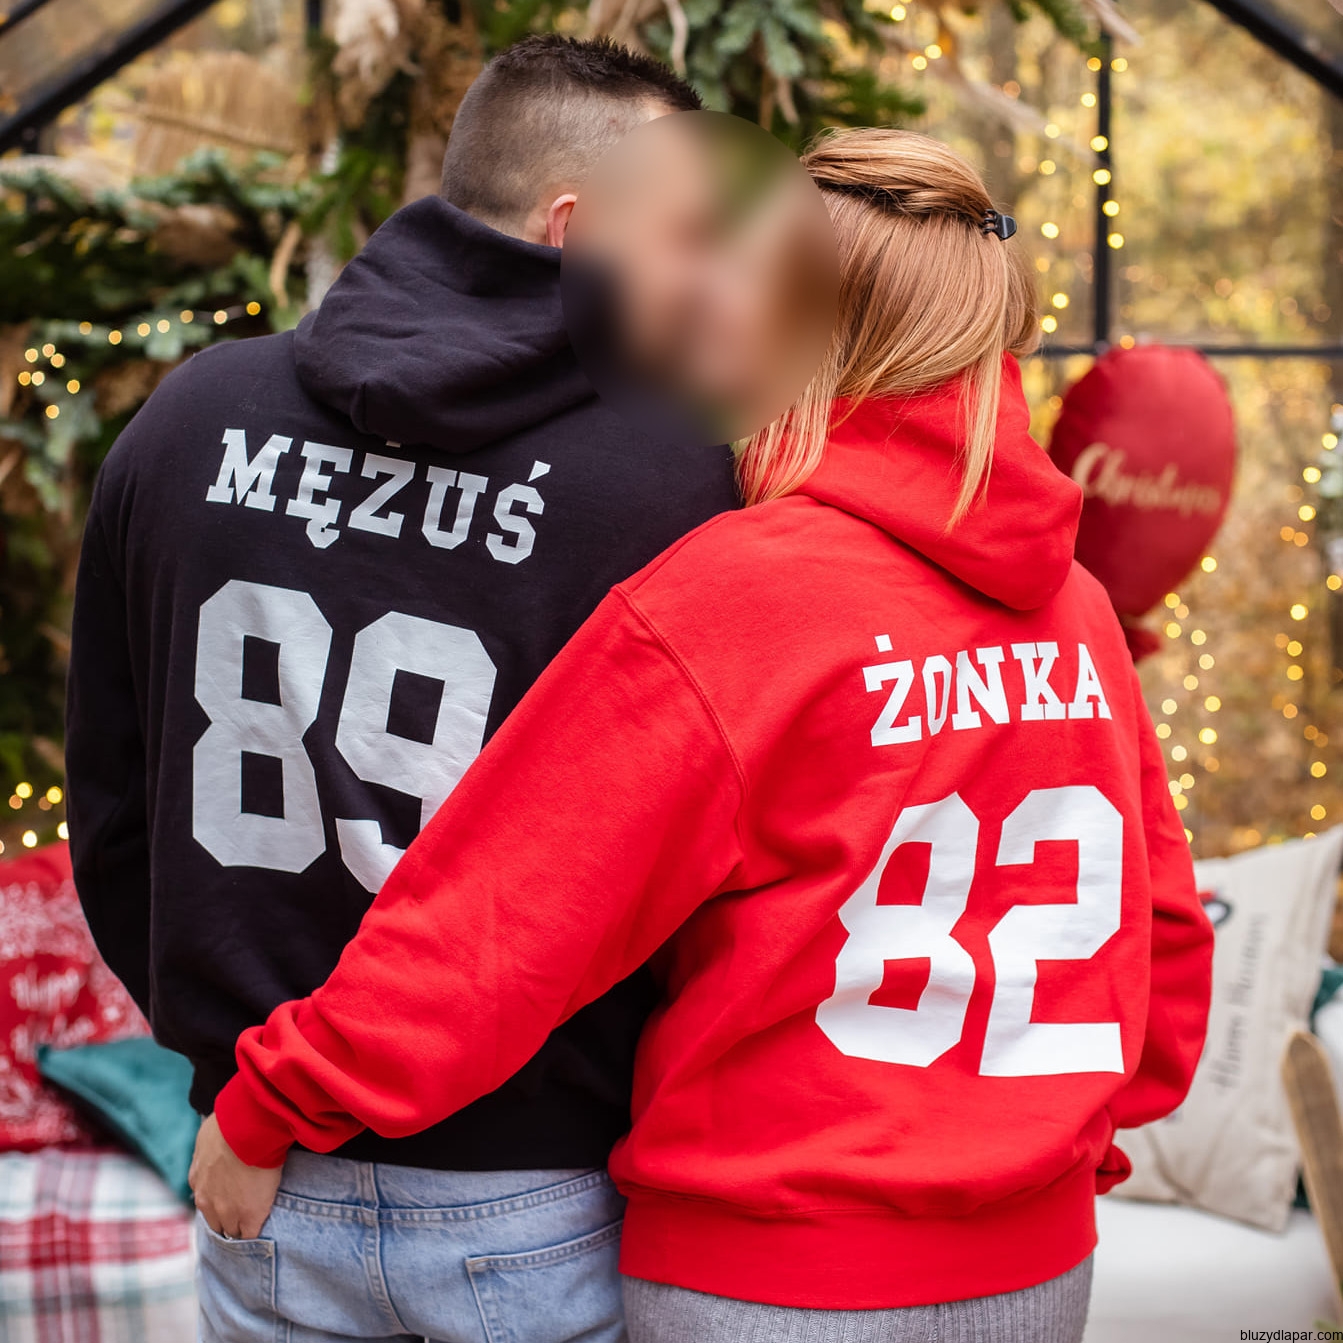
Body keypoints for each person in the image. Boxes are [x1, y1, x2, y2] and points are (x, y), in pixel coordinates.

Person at [190, 129, 1214, 1343]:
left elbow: (503, 915)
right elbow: (1161, 941)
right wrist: (1045, 1148)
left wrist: (274, 1100)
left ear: (805, 331)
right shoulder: (1076, 611)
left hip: (769, 1277)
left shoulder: (737, 594)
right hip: (1035, 1272)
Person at [64, 34, 738, 1343]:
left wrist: (237, 1064)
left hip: (261, 1179)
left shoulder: (186, 421)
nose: (703, 277)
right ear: (573, 227)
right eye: (684, 235)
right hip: (544, 1188)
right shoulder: (675, 486)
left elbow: (114, 808)